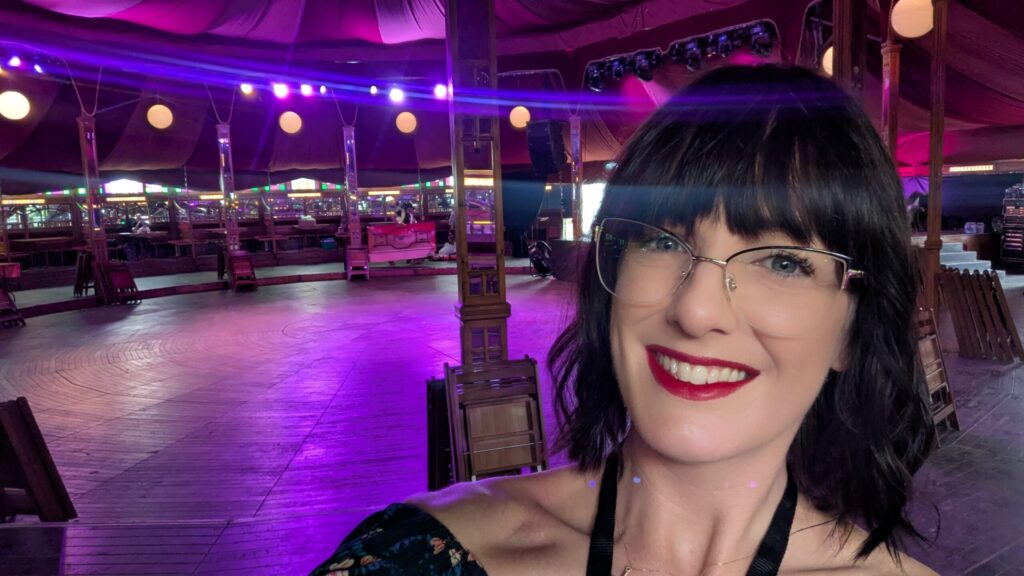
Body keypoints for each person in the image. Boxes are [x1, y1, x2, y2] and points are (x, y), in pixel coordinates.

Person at [311, 65, 936, 575]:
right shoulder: (425, 557)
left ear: (855, 329)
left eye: (782, 261)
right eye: (662, 242)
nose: (695, 310)